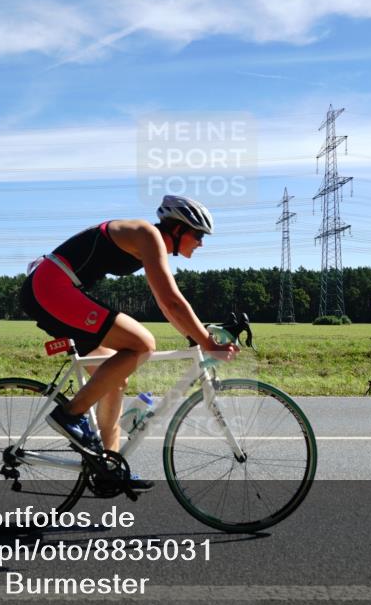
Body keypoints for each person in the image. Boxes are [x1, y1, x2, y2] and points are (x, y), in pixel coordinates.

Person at [19, 195, 239, 490]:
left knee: (115, 380)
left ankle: (107, 468)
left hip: (56, 289)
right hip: (52, 288)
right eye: (198, 235)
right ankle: (69, 415)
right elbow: (172, 301)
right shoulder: (147, 234)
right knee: (143, 343)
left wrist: (196, 337)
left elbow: (165, 305)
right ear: (178, 229)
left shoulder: (148, 241)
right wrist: (208, 342)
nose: (201, 243)